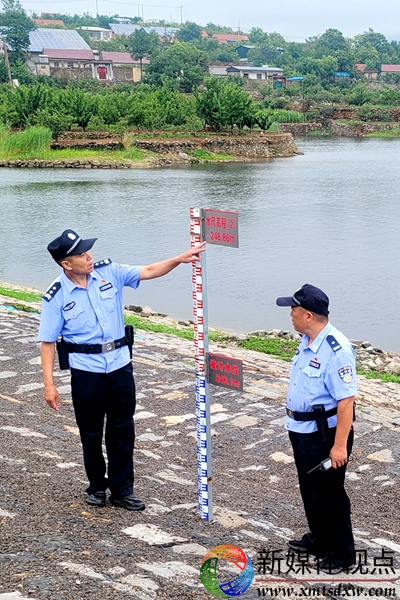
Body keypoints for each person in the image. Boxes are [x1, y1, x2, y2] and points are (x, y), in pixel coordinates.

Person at [38, 229, 205, 511]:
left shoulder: (109, 272)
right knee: (91, 433)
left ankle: (122, 490)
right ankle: (96, 487)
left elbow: (150, 270)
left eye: (88, 250)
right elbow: (47, 342)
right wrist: (48, 384)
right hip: (86, 373)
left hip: (119, 367)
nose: (89, 256)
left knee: (122, 430)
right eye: (81, 254)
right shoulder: (55, 296)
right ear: (66, 263)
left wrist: (179, 259)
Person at [276, 283, 356, 574]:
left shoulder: (337, 349)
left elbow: (347, 403)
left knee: (330, 493)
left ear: (308, 315)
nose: (290, 314)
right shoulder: (308, 340)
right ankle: (320, 538)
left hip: (324, 435)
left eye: (294, 309)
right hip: (301, 430)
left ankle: (341, 553)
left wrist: (339, 446)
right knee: (310, 489)